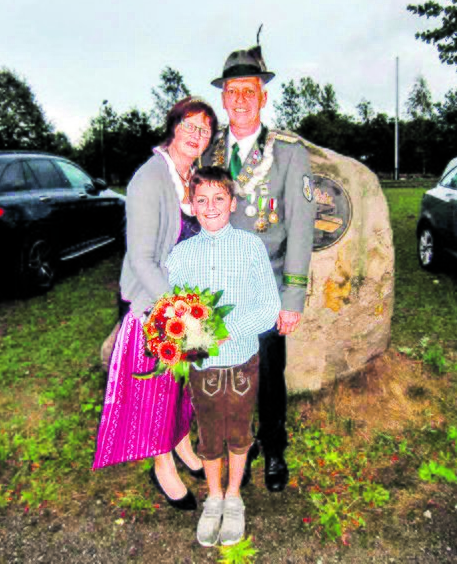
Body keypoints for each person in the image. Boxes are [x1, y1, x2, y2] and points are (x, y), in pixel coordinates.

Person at [92, 97, 218, 511]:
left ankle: (180, 444)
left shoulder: (193, 177)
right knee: (155, 392)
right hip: (156, 304)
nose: (197, 134)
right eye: (190, 125)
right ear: (174, 126)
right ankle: (161, 464)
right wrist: (177, 312)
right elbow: (142, 258)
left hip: (187, 304)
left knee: (178, 387)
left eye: (205, 130)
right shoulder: (149, 179)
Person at [203, 44, 316, 492]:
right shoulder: (209, 153)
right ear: (224, 99)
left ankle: (273, 447)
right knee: (225, 375)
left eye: (250, 91)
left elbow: (303, 229)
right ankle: (238, 447)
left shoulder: (288, 153)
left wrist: (293, 298)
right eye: (233, 91)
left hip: (267, 287)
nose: (241, 100)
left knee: (269, 376)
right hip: (217, 291)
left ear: (263, 97)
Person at [165, 166, 280, 546]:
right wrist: (180, 335)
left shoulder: (250, 248)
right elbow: (171, 313)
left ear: (232, 203)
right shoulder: (180, 256)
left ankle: (234, 497)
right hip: (202, 366)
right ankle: (213, 496)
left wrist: (226, 330)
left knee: (240, 431)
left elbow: (268, 308)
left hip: (242, 360)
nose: (210, 206)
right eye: (202, 200)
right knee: (210, 434)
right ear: (192, 207)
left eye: (219, 199)